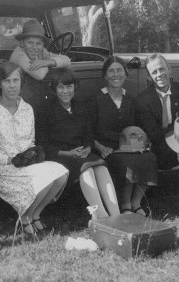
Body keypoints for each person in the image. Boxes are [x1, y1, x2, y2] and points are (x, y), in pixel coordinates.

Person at [0, 62, 69, 235]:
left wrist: (30, 155)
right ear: (0, 83)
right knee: (46, 179)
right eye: (7, 81)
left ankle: (34, 214)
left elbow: (31, 141)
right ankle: (25, 217)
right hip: (4, 167)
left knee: (61, 173)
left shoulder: (27, 109)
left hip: (26, 163)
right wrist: (10, 159)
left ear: (21, 83)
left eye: (16, 80)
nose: (12, 85)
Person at [36, 68, 120, 217]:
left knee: (101, 167)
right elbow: (43, 144)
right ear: (54, 88)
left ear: (75, 87)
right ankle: (102, 217)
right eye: (61, 87)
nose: (65, 91)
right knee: (87, 170)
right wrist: (68, 153)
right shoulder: (46, 109)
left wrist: (88, 148)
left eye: (69, 86)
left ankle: (116, 214)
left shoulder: (80, 106)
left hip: (81, 154)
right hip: (59, 156)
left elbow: (88, 134)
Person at [88, 56, 158, 216]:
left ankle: (136, 202)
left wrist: (143, 142)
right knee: (126, 160)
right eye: (111, 71)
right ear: (105, 76)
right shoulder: (95, 100)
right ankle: (126, 205)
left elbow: (138, 127)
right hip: (106, 147)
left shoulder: (131, 100)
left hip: (129, 146)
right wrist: (100, 147)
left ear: (125, 74)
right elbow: (88, 131)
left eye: (119, 70)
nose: (115, 74)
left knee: (149, 157)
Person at [135, 53, 179, 214]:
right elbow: (154, 134)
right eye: (154, 72)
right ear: (149, 76)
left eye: (161, 69)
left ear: (169, 69)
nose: (159, 75)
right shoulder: (143, 100)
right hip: (159, 147)